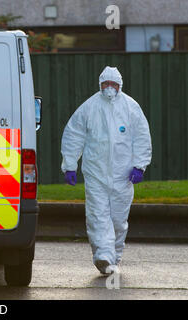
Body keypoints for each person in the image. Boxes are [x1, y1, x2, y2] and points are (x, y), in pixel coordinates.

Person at [61, 66, 152, 275]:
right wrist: (69, 164)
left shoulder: (131, 107)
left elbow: (141, 137)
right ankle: (103, 255)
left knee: (118, 219)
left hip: (123, 174)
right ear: (100, 84)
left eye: (113, 84)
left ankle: (114, 257)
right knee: (97, 214)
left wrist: (139, 165)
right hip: (96, 172)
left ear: (120, 85)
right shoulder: (89, 107)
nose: (109, 88)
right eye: (105, 84)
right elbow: (74, 135)